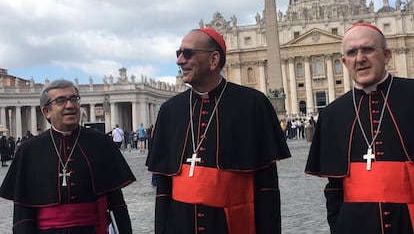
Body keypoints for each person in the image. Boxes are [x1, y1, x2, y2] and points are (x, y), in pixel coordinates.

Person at [146, 27, 291, 233]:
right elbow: (163, 190)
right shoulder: (170, 111)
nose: (179, 60)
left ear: (214, 60)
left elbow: (267, 188)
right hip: (181, 225)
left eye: (187, 53)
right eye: (178, 53)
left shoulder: (253, 105)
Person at [305, 22, 414, 233]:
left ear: (387, 55)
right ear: (344, 62)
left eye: (368, 49)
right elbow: (334, 188)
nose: (360, 58)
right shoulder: (332, 114)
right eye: (352, 52)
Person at [0, 79, 136, 233]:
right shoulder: (29, 150)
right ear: (46, 112)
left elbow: (116, 203)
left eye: (73, 99)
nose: (70, 105)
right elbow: (23, 214)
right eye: (61, 101)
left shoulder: (101, 143)